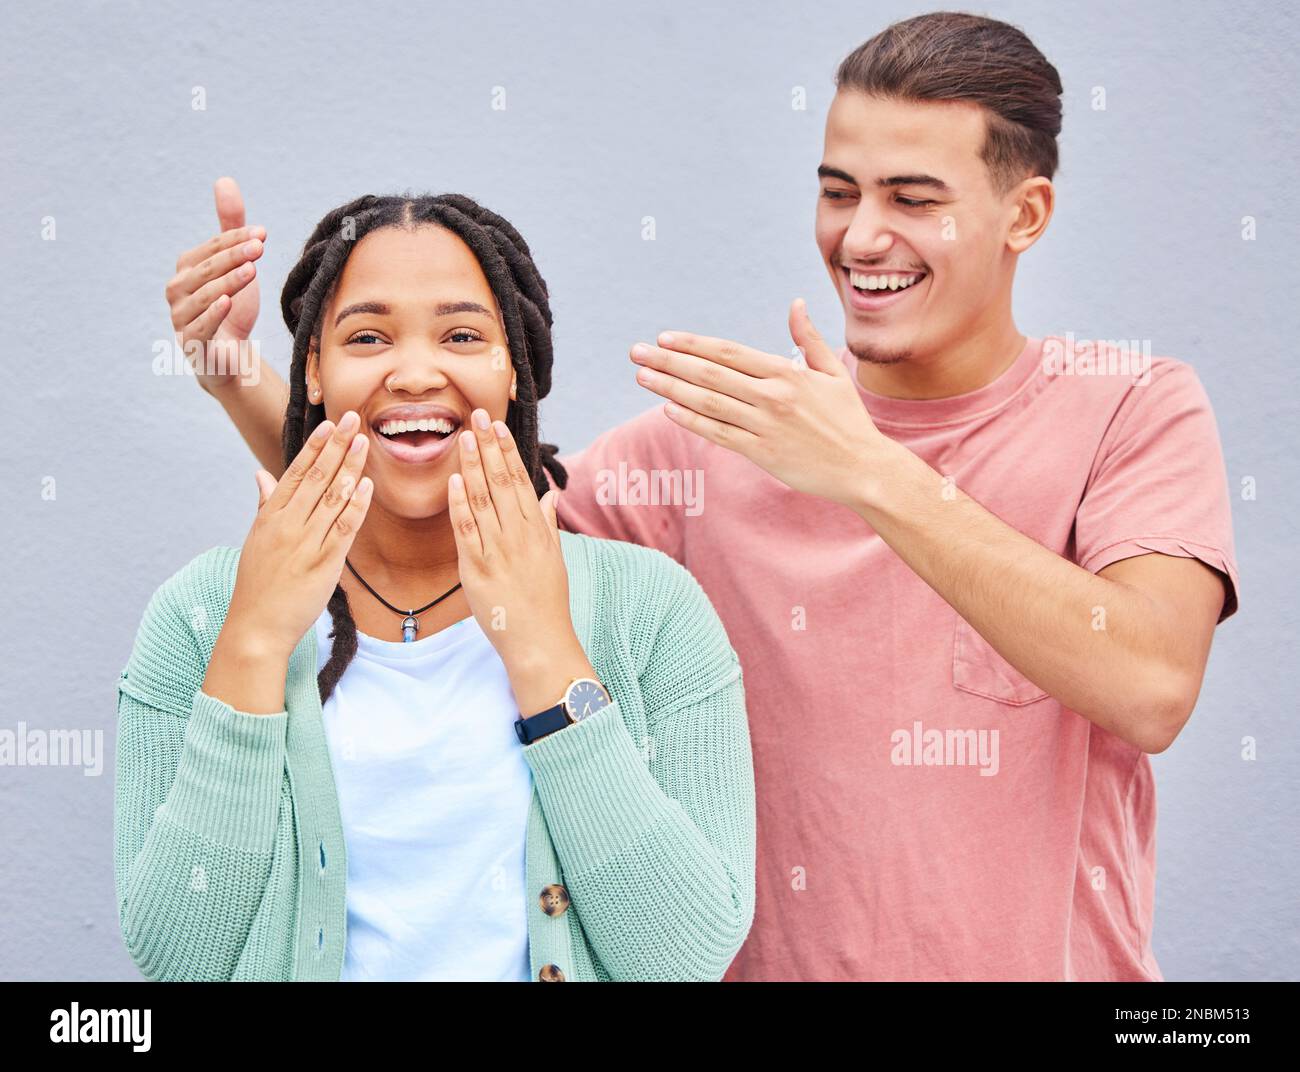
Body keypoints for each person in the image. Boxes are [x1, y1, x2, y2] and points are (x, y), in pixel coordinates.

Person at [179, 13, 1240, 982]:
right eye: (838, 192)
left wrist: (871, 472)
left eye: (912, 198)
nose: (862, 236)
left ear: (1026, 213)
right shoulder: (708, 443)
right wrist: (245, 380)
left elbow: (1147, 682)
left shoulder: (1128, 408)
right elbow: (432, 528)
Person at [116, 192, 755, 982]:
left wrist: (544, 653)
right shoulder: (202, 614)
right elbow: (178, 959)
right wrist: (252, 641)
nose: (415, 372)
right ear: (312, 370)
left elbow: (682, 959)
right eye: (368, 337)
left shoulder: (650, 612)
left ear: (514, 368)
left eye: (461, 335)